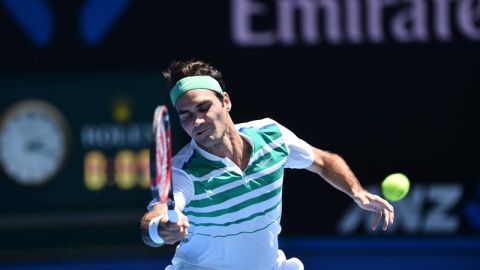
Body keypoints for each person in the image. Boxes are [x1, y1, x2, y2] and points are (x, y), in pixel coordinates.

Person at [140, 59, 394, 270]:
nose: (197, 122)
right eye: (186, 116)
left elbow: (323, 161)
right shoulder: (184, 171)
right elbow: (156, 215)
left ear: (225, 101)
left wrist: (357, 191)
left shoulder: (271, 135)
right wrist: (160, 228)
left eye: (204, 108)